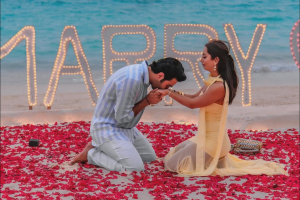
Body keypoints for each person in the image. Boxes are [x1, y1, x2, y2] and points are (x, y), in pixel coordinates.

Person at [158, 40, 288, 176]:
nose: (201, 60)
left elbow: (193, 104)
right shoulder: (211, 81)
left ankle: (213, 157)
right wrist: (170, 90)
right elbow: (193, 97)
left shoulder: (219, 86)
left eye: (204, 56)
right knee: (171, 154)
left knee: (171, 165)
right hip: (204, 137)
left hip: (214, 143)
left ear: (216, 60)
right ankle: (208, 159)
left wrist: (169, 93)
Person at [69, 58, 187, 172]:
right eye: (168, 85)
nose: (167, 89)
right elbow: (122, 118)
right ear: (160, 75)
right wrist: (147, 101)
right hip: (108, 129)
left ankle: (101, 147)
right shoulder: (132, 80)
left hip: (126, 129)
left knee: (148, 157)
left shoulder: (141, 74)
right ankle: (92, 154)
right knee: (134, 168)